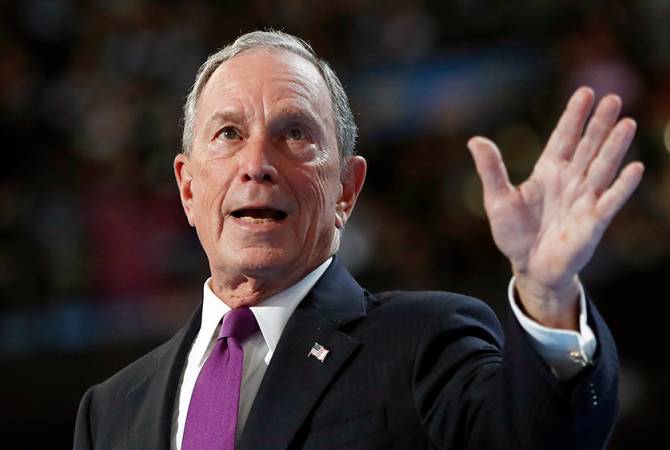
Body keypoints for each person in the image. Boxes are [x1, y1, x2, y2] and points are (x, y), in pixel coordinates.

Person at [73, 30, 643, 450]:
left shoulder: (422, 343)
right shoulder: (111, 410)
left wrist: (547, 296)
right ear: (188, 187)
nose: (257, 163)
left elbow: (536, 439)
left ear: (346, 189)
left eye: (295, 133)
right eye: (228, 133)